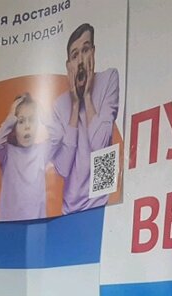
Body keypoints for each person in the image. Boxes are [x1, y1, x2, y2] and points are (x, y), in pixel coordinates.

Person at [47, 23, 120, 214]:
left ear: (93, 53)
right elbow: (63, 169)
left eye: (85, 50)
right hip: (70, 209)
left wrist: (87, 97)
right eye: (74, 55)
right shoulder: (59, 105)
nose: (80, 60)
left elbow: (101, 147)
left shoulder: (109, 78)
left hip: (103, 202)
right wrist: (74, 106)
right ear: (68, 66)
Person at [0, 93, 49, 222]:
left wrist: (44, 117)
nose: (27, 126)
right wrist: (11, 117)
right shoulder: (7, 152)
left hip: (36, 223)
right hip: (9, 224)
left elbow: (58, 136)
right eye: (21, 121)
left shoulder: (42, 150)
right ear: (13, 127)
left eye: (32, 120)